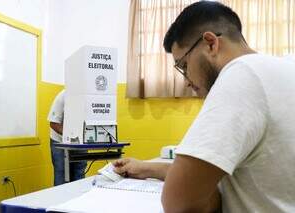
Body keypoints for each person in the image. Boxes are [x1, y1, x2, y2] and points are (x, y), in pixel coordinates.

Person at [113, 1, 295, 213]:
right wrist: (147, 168)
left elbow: (178, 202)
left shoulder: (243, 71)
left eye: (183, 65)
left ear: (210, 43)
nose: (187, 81)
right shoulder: (286, 67)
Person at [48, 90, 87, 186]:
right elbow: (54, 124)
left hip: (79, 141)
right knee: (61, 174)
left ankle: (78, 199)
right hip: (59, 141)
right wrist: (70, 136)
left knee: (79, 173)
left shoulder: (88, 97)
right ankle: (60, 200)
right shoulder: (62, 96)